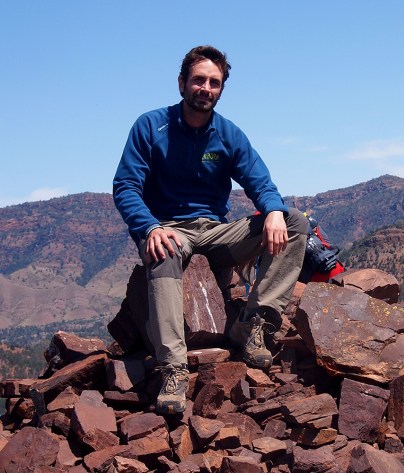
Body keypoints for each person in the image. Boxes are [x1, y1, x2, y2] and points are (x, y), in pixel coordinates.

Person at [113, 45, 308, 415]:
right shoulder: (150, 126)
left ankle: (253, 326)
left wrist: (273, 210)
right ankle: (173, 370)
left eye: (214, 82)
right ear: (182, 83)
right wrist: (149, 227)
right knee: (164, 251)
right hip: (169, 229)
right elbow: (125, 186)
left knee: (295, 221)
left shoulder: (228, 134)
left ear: (221, 89)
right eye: (198, 80)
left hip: (217, 233)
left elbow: (260, 181)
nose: (205, 88)